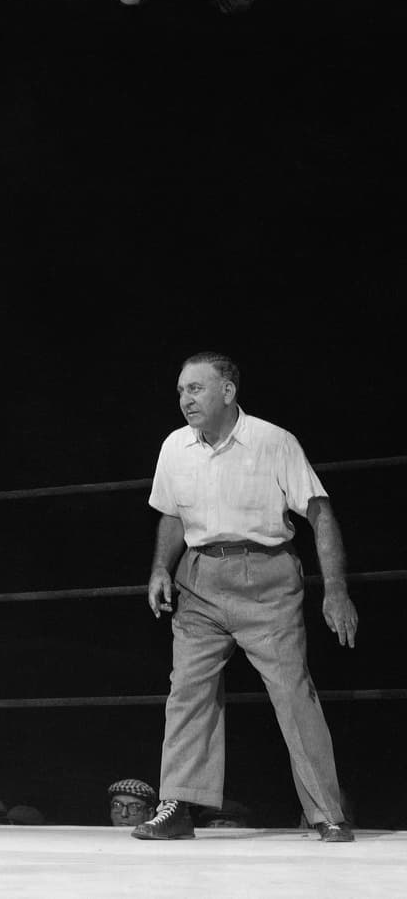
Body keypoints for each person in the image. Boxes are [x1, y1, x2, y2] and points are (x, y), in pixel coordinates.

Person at [133, 352, 357, 844]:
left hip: (266, 579)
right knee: (186, 690)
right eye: (181, 391)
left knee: (292, 692)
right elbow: (172, 514)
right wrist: (160, 569)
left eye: (195, 388)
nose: (185, 399)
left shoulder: (273, 441)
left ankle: (326, 812)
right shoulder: (175, 446)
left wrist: (336, 590)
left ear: (228, 391)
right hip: (199, 578)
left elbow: (319, 513)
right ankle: (177, 804)